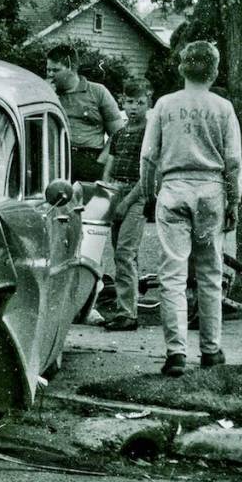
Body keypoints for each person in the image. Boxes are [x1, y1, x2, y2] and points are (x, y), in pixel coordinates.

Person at [139, 40, 241, 377]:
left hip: (174, 187)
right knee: (210, 272)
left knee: (173, 274)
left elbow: (148, 155)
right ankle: (211, 349)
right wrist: (234, 200)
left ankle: (176, 352)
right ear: (213, 70)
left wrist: (148, 190)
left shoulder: (165, 105)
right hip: (211, 189)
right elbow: (233, 161)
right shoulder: (223, 108)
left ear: (183, 67)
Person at [100, 77, 152, 332]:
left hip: (136, 194)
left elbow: (148, 174)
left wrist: (127, 201)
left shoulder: (150, 133)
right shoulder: (120, 133)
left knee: (124, 252)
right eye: (129, 102)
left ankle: (127, 312)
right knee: (121, 252)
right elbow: (108, 167)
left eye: (139, 102)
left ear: (148, 101)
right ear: (122, 101)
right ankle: (129, 304)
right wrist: (107, 194)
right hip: (116, 192)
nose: (134, 108)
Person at [45, 44, 126, 183]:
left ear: (72, 69)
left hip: (89, 159)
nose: (50, 74)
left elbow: (118, 132)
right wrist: (48, 97)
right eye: (48, 70)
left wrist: (100, 162)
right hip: (54, 158)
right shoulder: (46, 93)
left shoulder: (98, 92)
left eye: (55, 70)